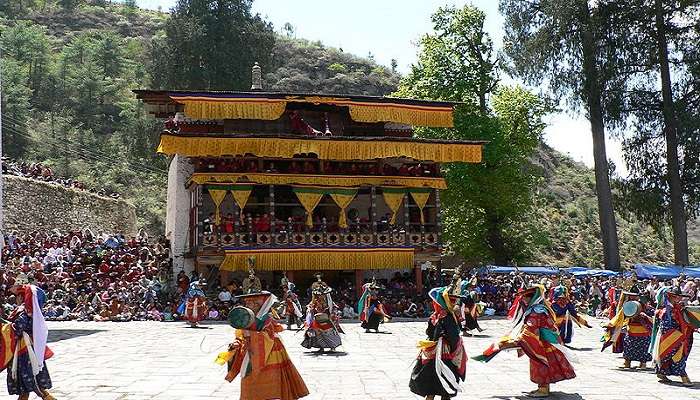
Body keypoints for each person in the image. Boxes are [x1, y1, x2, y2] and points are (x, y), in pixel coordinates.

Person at [473, 284, 576, 398]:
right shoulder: (538, 308)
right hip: (541, 341)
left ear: (532, 298)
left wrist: (515, 341)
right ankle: (542, 387)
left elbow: (530, 330)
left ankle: (543, 390)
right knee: (542, 363)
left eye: (525, 297)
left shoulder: (537, 311)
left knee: (541, 364)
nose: (523, 300)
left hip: (541, 343)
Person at [217, 291, 309, 400]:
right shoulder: (245, 318)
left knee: (269, 382)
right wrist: (237, 344)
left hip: (270, 352)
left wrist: (250, 334)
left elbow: (268, 336)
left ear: (257, 304)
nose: (247, 305)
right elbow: (241, 336)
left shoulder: (266, 319)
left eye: (250, 303)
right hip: (251, 353)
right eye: (246, 303)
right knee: (248, 382)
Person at [409, 276, 467, 400]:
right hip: (444, 354)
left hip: (431, 351)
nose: (455, 303)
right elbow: (453, 337)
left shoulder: (435, 316)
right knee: (446, 385)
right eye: (453, 300)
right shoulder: (448, 317)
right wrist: (455, 349)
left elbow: (429, 332)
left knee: (430, 387)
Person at [2, 274, 56, 400]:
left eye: (18, 296)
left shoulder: (23, 312)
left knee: (29, 380)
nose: (16, 299)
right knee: (29, 382)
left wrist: (5, 326)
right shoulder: (31, 312)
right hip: (27, 347)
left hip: (23, 350)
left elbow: (18, 328)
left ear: (21, 297)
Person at [649, 287, 695, 385]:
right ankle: (683, 376)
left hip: (678, 336)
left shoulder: (678, 308)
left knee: (677, 356)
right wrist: (677, 335)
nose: (678, 298)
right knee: (677, 356)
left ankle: (662, 374)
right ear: (670, 296)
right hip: (670, 337)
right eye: (676, 296)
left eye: (679, 296)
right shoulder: (666, 310)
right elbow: (665, 326)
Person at [301, 274, 343, 353]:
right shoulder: (314, 301)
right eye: (318, 295)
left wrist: (332, 314)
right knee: (318, 335)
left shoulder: (329, 301)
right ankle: (321, 347)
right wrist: (310, 310)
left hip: (327, 319)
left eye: (321, 295)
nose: (320, 296)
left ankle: (333, 346)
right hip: (317, 320)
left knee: (330, 333)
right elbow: (311, 307)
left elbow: (333, 308)